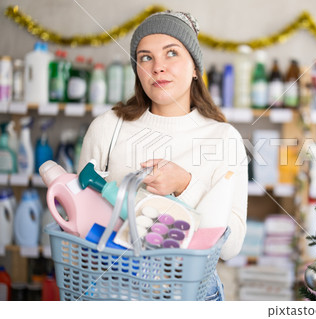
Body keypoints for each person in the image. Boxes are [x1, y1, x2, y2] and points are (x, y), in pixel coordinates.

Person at [77, 10, 248, 300]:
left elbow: (230, 248)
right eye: (146, 57)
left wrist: (185, 186)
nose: (158, 67)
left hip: (190, 296)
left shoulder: (224, 138)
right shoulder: (108, 128)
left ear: (195, 67)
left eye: (171, 53)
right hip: (114, 291)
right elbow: (77, 218)